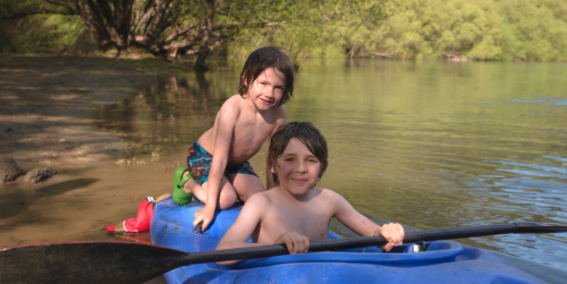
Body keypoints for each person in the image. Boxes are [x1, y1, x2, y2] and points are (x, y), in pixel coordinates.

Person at [215, 122, 404, 264]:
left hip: (320, 281)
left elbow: (373, 232)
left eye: (311, 160)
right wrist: (276, 247)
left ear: (321, 167)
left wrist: (386, 232)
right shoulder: (261, 203)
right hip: (277, 279)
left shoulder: (330, 200)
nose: (301, 169)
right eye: (290, 159)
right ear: (272, 165)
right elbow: (223, 253)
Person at [173, 46, 292, 232]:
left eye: (278, 88)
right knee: (225, 199)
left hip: (236, 163)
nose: (269, 93)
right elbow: (219, 161)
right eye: (263, 83)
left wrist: (272, 197)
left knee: (260, 198)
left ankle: (229, 185)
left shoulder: (278, 113)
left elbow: (273, 157)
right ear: (246, 78)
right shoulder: (232, 110)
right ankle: (188, 183)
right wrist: (210, 208)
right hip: (206, 157)